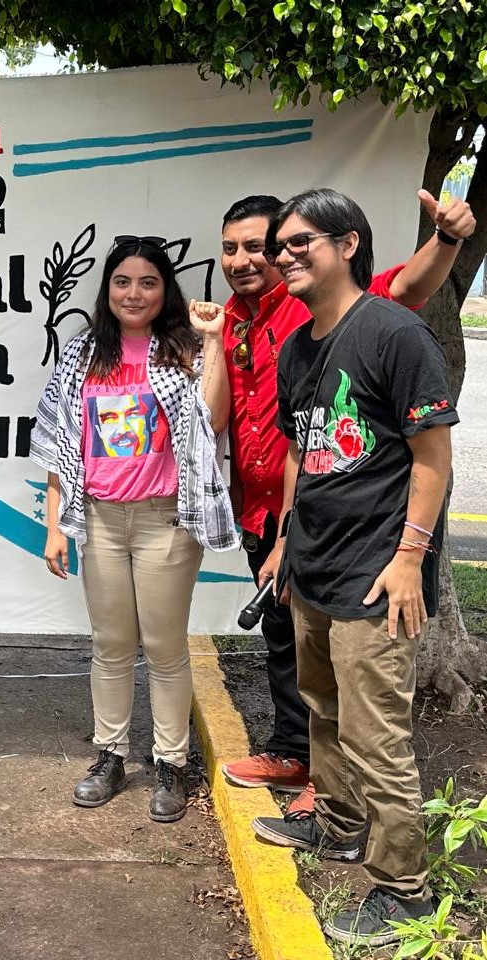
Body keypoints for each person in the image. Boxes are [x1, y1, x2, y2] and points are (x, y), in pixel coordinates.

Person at [193, 189, 473, 816]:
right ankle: (300, 763)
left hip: (359, 536)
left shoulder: (328, 307)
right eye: (232, 249)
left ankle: (359, 817)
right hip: (274, 515)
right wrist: (283, 536)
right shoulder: (234, 321)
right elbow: (240, 427)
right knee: (290, 648)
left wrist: (448, 238)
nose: (245, 260)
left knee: (359, 684)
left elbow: (407, 287)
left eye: (261, 246)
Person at [249, 188, 456, 947]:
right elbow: (300, 451)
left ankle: (403, 890)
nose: (285, 255)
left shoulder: (393, 333)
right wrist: (284, 540)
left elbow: (432, 457)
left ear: (348, 244)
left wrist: (409, 558)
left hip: (377, 573)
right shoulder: (297, 348)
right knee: (323, 707)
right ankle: (336, 824)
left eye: (301, 240)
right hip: (313, 566)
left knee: (376, 737)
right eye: (280, 245)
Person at [31, 236, 237, 823]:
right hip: (99, 517)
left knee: (165, 647)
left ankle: (171, 763)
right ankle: (111, 754)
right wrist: (55, 524)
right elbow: (60, 442)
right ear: (108, 289)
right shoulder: (82, 354)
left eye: (148, 282)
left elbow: (213, 420)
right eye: (122, 282)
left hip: (164, 519)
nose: (134, 293)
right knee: (111, 644)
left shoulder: (183, 349)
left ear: (164, 290)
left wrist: (214, 341)